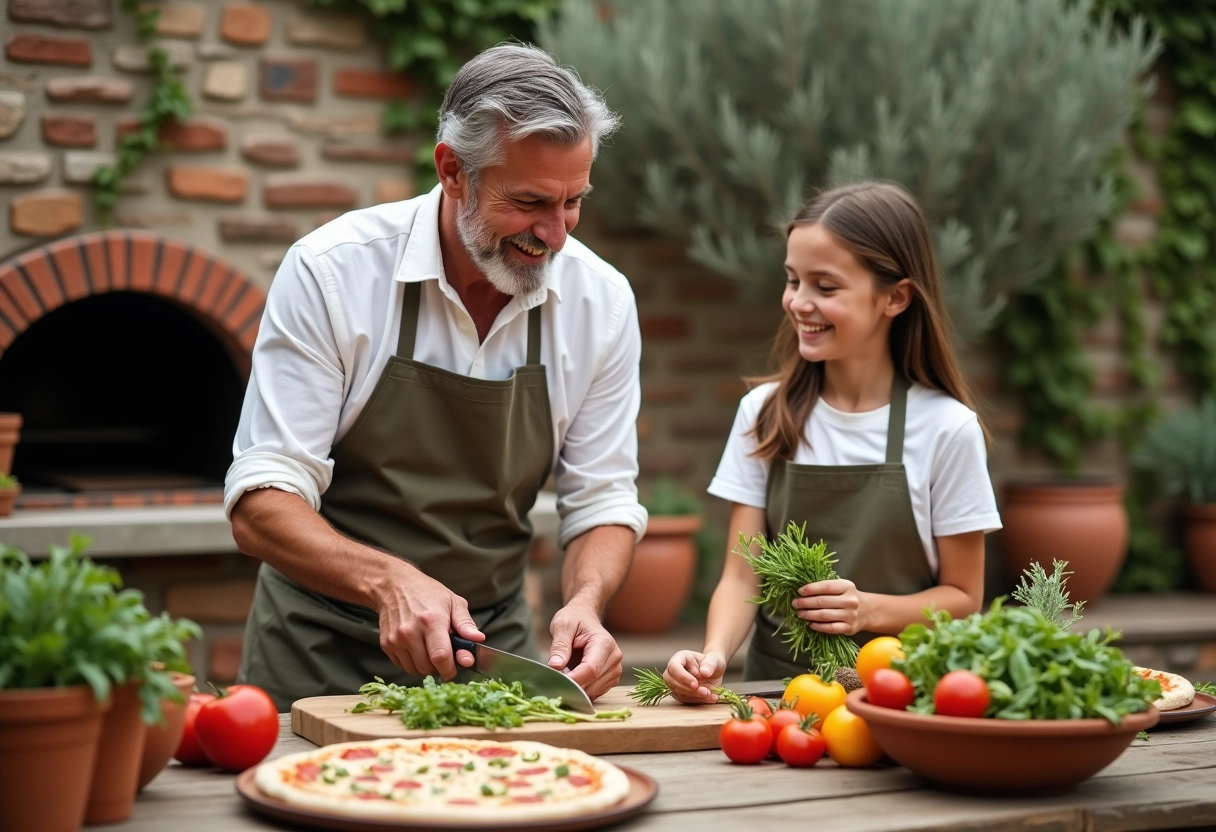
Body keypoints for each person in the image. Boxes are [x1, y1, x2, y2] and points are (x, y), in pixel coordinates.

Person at [225, 45, 647, 711]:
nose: (556, 235)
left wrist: (586, 604)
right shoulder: (333, 273)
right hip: (316, 660)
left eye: (573, 202)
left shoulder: (602, 301)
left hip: (489, 661)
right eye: (531, 201)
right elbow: (260, 503)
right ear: (453, 171)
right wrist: (389, 581)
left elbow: (601, 502)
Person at [663, 182, 1002, 700]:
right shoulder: (764, 414)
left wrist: (868, 609)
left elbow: (963, 597)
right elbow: (741, 575)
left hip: (898, 696)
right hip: (776, 695)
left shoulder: (948, 429)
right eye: (793, 280)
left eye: (825, 286)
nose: (798, 302)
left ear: (896, 296)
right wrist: (713, 655)